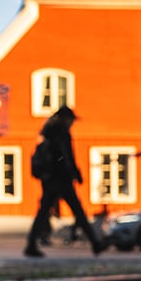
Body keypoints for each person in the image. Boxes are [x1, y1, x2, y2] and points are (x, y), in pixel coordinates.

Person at [25, 106, 108, 257]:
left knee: (43, 212)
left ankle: (31, 244)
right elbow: (66, 156)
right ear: (65, 119)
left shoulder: (47, 131)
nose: (72, 123)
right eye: (71, 120)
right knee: (77, 211)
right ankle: (95, 243)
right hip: (61, 178)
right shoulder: (61, 133)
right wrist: (74, 172)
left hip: (49, 178)